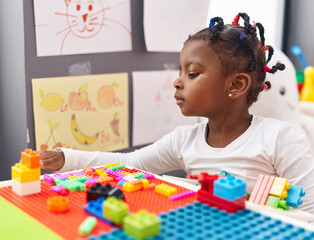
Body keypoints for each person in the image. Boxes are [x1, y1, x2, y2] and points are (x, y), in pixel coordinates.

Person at [40, 13, 314, 214]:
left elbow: (309, 214)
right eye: (180, 72)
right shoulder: (184, 140)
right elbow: (127, 163)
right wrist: (68, 158)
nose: (178, 82)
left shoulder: (280, 139)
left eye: (192, 73)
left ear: (236, 85)